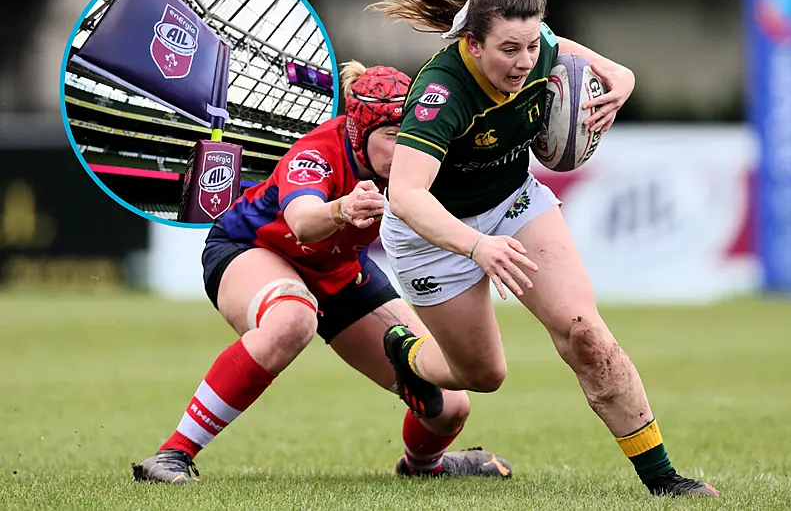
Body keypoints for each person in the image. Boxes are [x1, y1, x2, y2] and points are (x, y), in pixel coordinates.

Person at [352, 0, 720, 498]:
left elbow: (571, 52)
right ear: (472, 44)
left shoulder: (537, 46)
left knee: (585, 334)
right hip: (432, 233)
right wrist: (476, 248)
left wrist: (622, 77)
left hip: (513, 203)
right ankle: (409, 352)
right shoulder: (441, 93)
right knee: (482, 376)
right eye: (509, 50)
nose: (525, 63)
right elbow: (406, 197)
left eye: (531, 47)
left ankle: (664, 479)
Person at [131, 61, 512, 483]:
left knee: (450, 404)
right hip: (252, 249)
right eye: (393, 135)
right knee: (293, 318)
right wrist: (341, 208)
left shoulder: (414, 160)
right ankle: (171, 455)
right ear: (359, 132)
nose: (406, 147)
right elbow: (303, 222)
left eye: (410, 133)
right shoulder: (316, 154)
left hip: (338, 272)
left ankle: (424, 467)